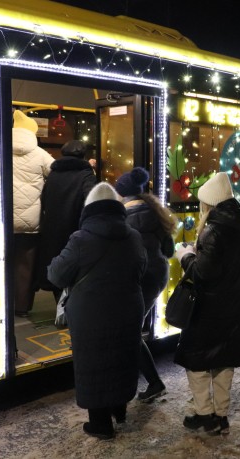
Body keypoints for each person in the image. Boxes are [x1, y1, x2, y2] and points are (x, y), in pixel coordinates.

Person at [47, 182, 147, 440]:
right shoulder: (134, 236)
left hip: (91, 314)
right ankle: (120, 410)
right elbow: (142, 269)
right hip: (128, 309)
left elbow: (56, 275)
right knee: (122, 357)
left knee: (94, 362)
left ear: (88, 210)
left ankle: (100, 423)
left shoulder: (81, 239)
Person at [173, 171, 240, 435]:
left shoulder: (214, 230)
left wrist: (185, 256)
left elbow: (202, 274)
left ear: (208, 203)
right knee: (224, 360)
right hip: (237, 307)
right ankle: (221, 415)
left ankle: (204, 413)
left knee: (196, 361)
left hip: (211, 310)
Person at [115, 167, 177, 402]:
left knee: (129, 332)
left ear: (122, 194)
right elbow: (169, 251)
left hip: (138, 279)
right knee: (131, 330)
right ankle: (151, 382)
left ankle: (152, 383)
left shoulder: (123, 219)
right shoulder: (156, 212)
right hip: (157, 276)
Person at [37, 139, 96, 302]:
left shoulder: (54, 174)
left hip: (53, 226)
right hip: (75, 227)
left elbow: (45, 198)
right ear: (83, 155)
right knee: (76, 268)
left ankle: (60, 305)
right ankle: (71, 310)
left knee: (59, 267)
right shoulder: (86, 174)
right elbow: (90, 200)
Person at [11, 110, 54, 317]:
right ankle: (22, 305)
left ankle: (2, 303)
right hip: (31, 221)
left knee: (2, 261)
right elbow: (55, 174)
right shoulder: (41, 155)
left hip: (3, 219)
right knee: (25, 266)